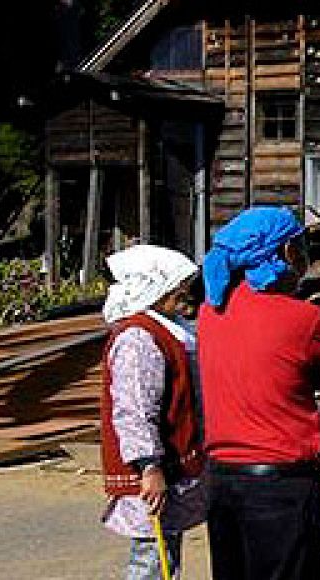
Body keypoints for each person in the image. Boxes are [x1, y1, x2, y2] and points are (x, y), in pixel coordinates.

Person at [198, 206, 320, 580]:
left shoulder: (210, 313)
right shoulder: (304, 318)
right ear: (286, 253)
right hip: (281, 485)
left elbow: (258, 366)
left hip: (222, 480)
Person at [99, 243, 207, 580]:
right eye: (176, 284)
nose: (184, 291)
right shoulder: (138, 339)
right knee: (152, 558)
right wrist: (149, 466)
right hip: (151, 469)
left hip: (169, 460)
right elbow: (134, 408)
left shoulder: (165, 328)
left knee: (165, 552)